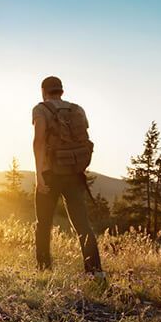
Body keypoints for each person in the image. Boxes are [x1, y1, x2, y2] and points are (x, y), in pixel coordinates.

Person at [32, 76, 103, 274]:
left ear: (44, 91)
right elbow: (82, 138)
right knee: (82, 224)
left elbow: (38, 141)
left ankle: (44, 271)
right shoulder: (78, 110)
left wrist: (38, 175)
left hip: (50, 173)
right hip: (74, 173)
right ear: (61, 91)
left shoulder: (41, 109)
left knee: (44, 224)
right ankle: (95, 272)